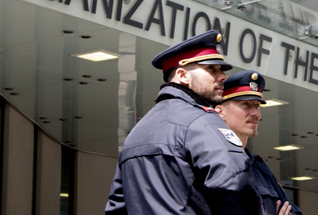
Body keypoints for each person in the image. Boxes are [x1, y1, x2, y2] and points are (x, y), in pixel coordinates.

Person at [105, 30, 262, 214]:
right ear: (183, 75)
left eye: (221, 70)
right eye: (211, 68)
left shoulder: (136, 134)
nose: (222, 76)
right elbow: (237, 185)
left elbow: (117, 206)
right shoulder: (202, 121)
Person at [215, 70, 303, 215]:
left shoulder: (259, 167)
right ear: (220, 112)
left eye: (257, 105)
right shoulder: (208, 161)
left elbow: (293, 211)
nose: (255, 113)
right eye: (245, 104)